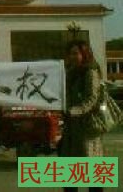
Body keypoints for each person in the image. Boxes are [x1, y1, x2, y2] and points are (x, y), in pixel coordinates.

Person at [59, 39, 103, 192]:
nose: (72, 56)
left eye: (75, 53)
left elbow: (92, 99)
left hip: (87, 128)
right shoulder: (69, 72)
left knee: (92, 171)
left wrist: (74, 111)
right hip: (71, 128)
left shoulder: (90, 71)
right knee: (69, 173)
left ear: (84, 54)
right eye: (70, 53)